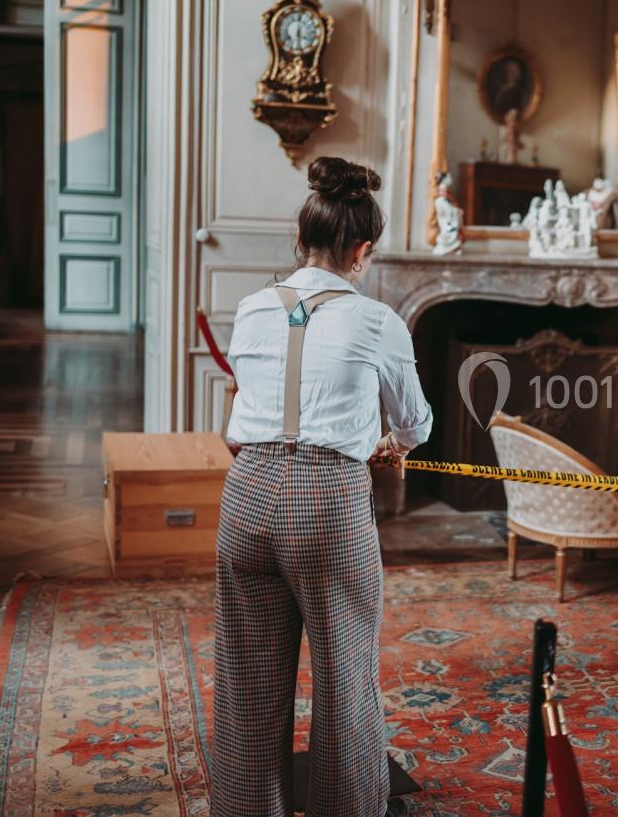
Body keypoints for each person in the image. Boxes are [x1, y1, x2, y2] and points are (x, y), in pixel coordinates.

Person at [213, 156, 432, 817]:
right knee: (345, 677)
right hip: (328, 506)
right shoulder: (377, 322)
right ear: (362, 250)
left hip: (246, 497)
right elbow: (415, 422)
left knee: (245, 682)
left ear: (300, 240)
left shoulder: (251, 309)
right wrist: (389, 445)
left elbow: (236, 428)